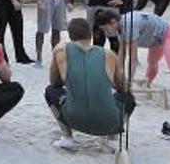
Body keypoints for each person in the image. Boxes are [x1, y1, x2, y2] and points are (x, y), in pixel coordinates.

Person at [46, 18, 135, 150]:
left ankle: (67, 137)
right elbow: (123, 87)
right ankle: (112, 138)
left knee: (50, 91)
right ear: (91, 35)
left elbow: (54, 82)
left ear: (70, 36)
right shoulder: (109, 54)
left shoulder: (60, 50)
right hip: (108, 122)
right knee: (129, 98)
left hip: (74, 119)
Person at [95, 9, 170, 87]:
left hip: (169, 35)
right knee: (152, 63)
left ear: (112, 22)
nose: (106, 33)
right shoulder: (121, 25)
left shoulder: (129, 25)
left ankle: (146, 81)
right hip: (155, 41)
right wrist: (120, 74)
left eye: (105, 29)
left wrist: (129, 81)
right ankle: (147, 82)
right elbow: (121, 53)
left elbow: (133, 58)